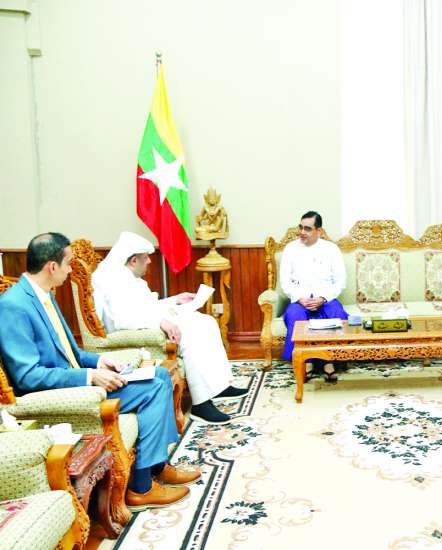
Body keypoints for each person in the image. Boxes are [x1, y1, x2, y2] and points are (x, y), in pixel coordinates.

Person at [0, 233, 199, 510]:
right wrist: (89, 377)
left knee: (161, 375)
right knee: (154, 388)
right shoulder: (14, 305)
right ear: (52, 267)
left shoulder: (44, 295)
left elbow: (71, 352)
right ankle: (141, 487)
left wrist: (100, 362)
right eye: (68, 263)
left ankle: (157, 467)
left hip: (78, 380)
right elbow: (28, 377)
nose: (71, 269)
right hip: (63, 394)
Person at [92, 231, 247, 424]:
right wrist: (161, 322)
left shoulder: (129, 278)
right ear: (133, 261)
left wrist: (176, 299)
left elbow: (146, 306)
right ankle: (201, 404)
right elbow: (123, 320)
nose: (149, 261)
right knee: (192, 333)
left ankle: (219, 386)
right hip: (132, 335)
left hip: (146, 324)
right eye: (146, 258)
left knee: (206, 321)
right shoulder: (115, 281)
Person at [280, 211, 348, 382]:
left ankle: (329, 361)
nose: (302, 232)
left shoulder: (331, 249)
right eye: (301, 227)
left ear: (319, 231)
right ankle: (306, 362)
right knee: (294, 316)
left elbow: (340, 281)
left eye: (307, 229)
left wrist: (323, 298)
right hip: (299, 300)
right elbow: (285, 282)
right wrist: (300, 299)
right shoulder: (291, 249)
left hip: (325, 299)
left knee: (338, 315)